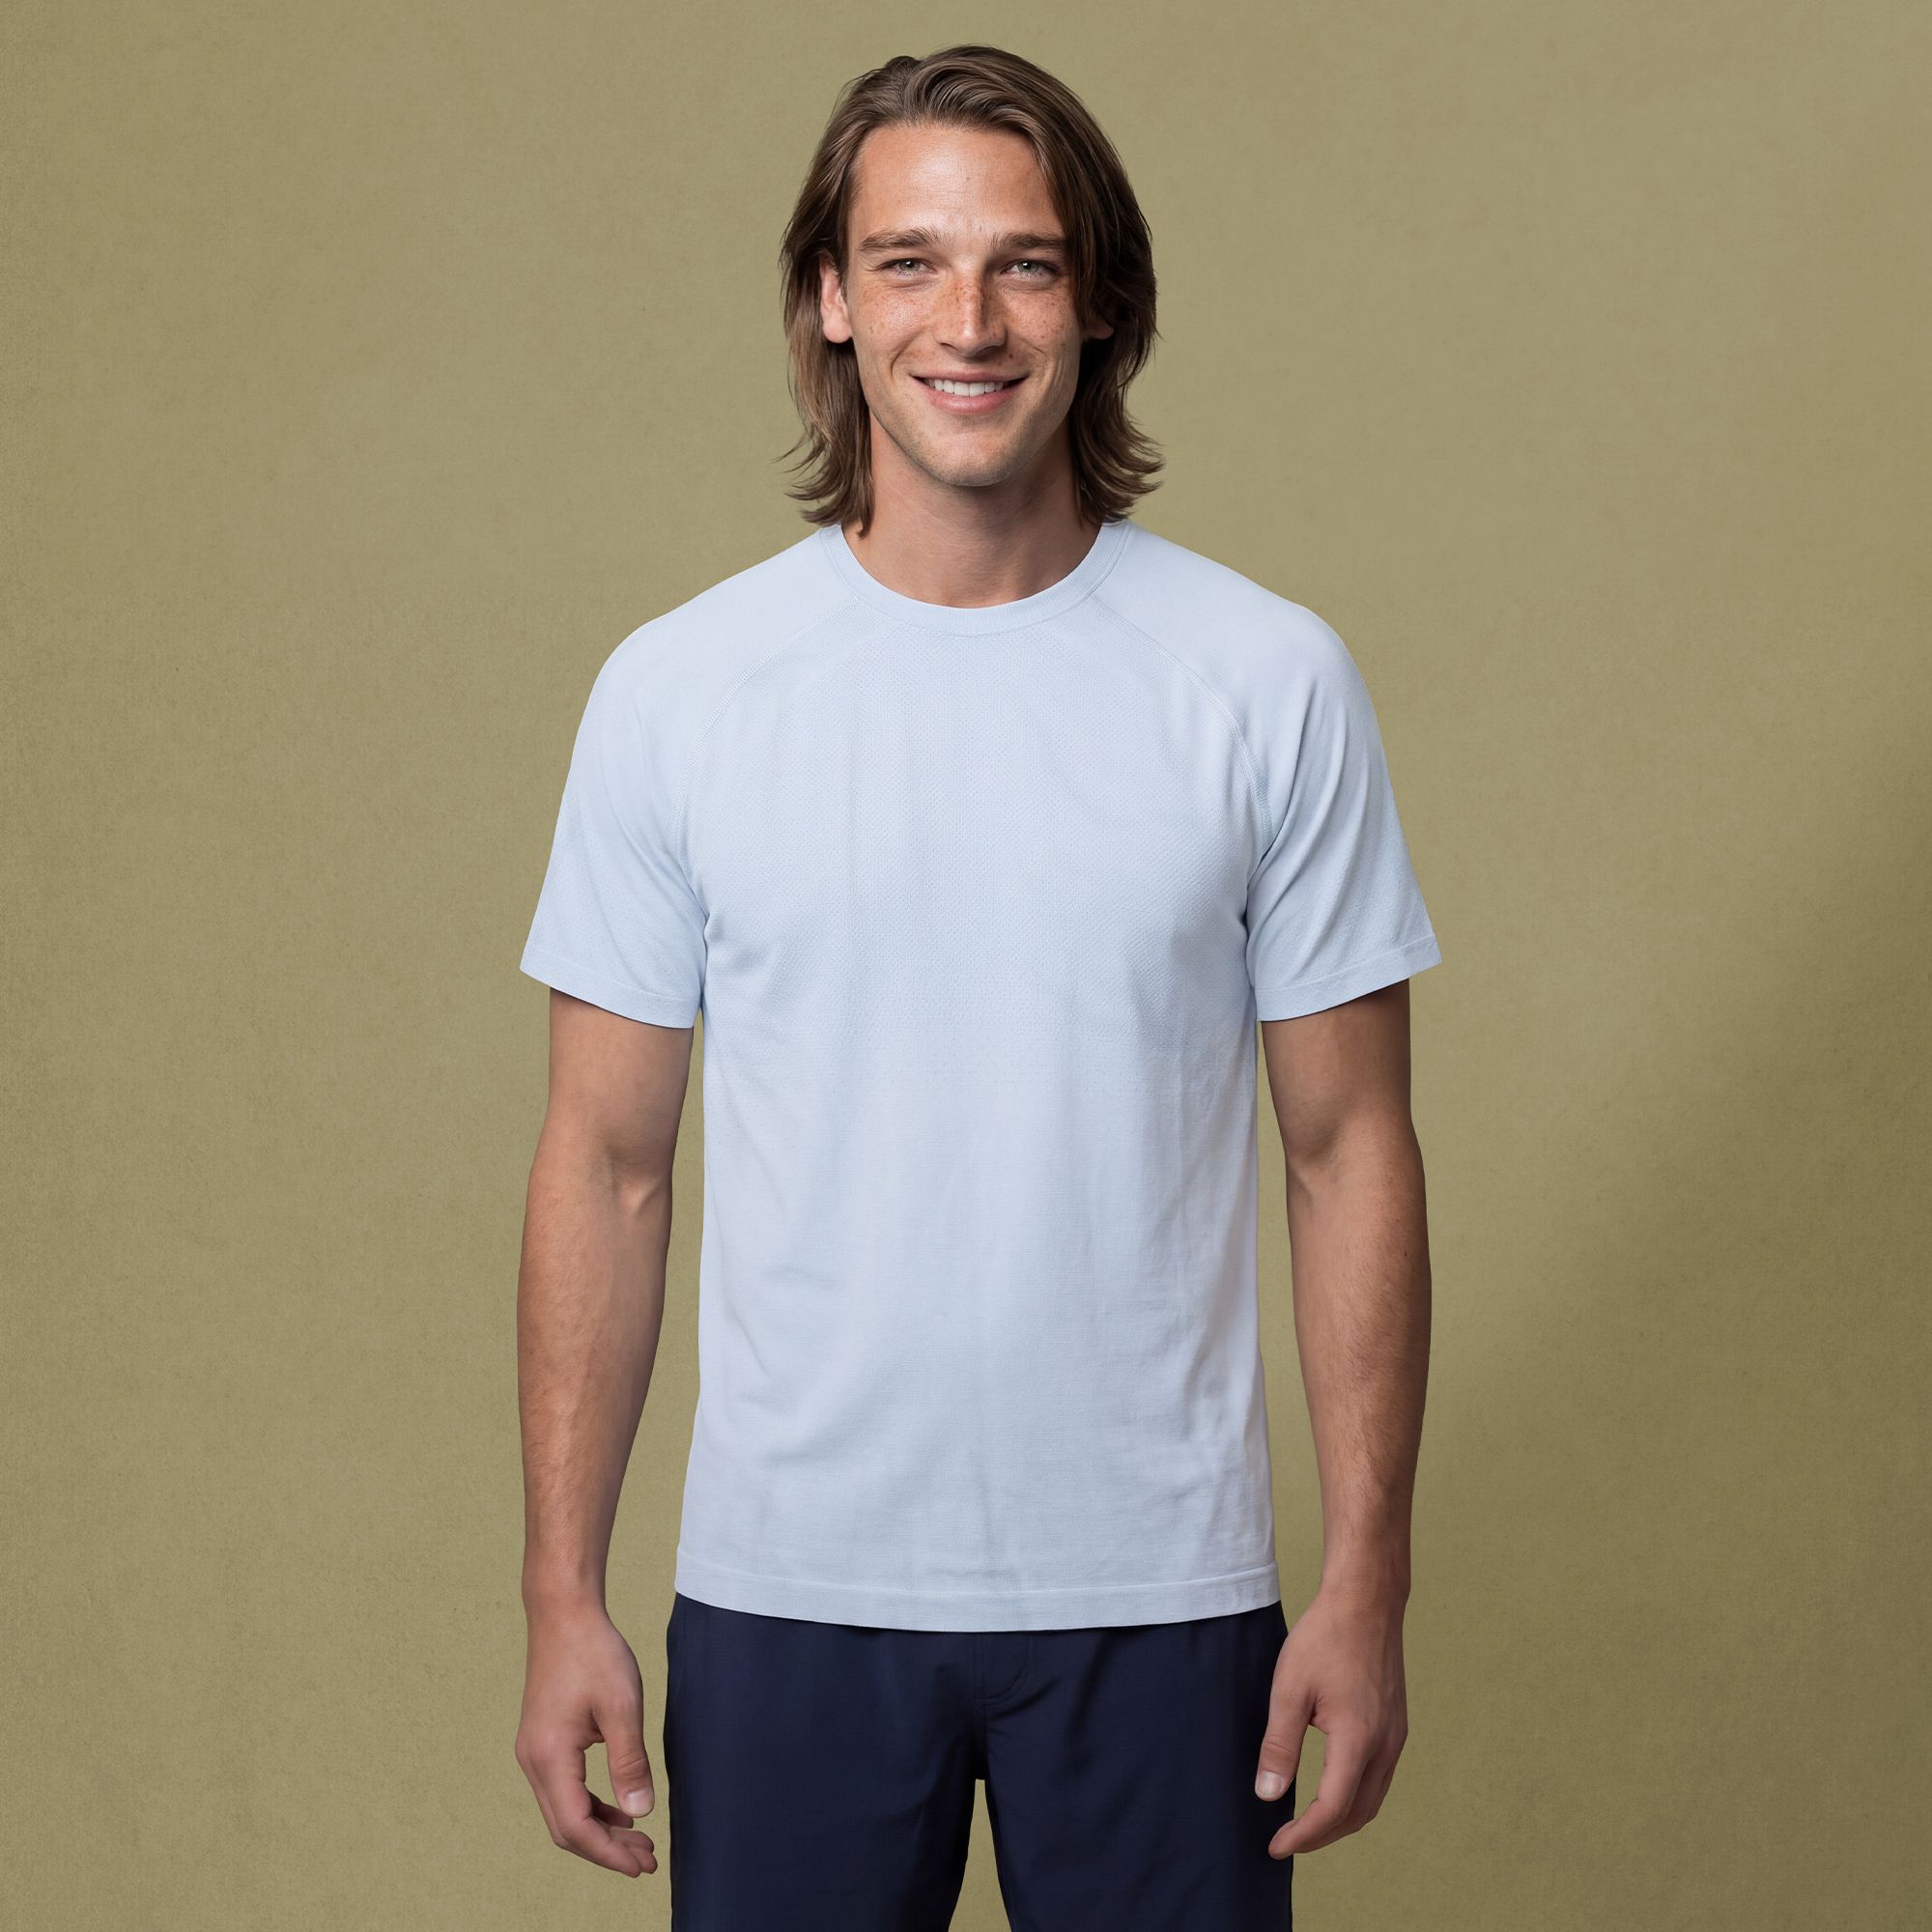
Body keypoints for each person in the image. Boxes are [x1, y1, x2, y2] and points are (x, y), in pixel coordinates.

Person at [511, 43, 1440, 1930]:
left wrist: (1366, 1584)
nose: (971, 320)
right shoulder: (680, 695)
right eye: (911, 261)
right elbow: (606, 1167)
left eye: (1025, 262)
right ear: (831, 301)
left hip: (1166, 1602)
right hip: (788, 1598)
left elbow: (1348, 1150)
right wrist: (559, 1594)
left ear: (1100, 301)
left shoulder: (1264, 680)